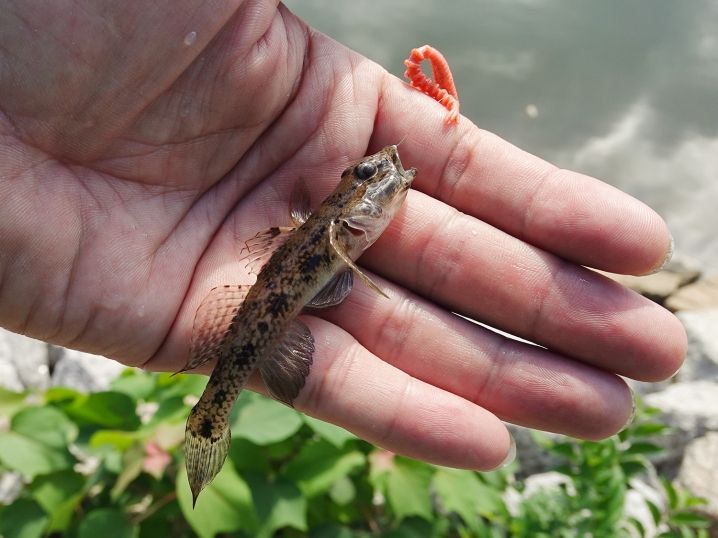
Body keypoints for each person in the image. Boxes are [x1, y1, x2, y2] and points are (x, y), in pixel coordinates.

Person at [0, 0, 685, 471]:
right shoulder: (332, 232)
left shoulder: (335, 228)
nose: (386, 174)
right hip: (269, 309)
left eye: (377, 176)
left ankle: (211, 415)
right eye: (368, 177)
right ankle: (212, 417)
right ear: (347, 212)